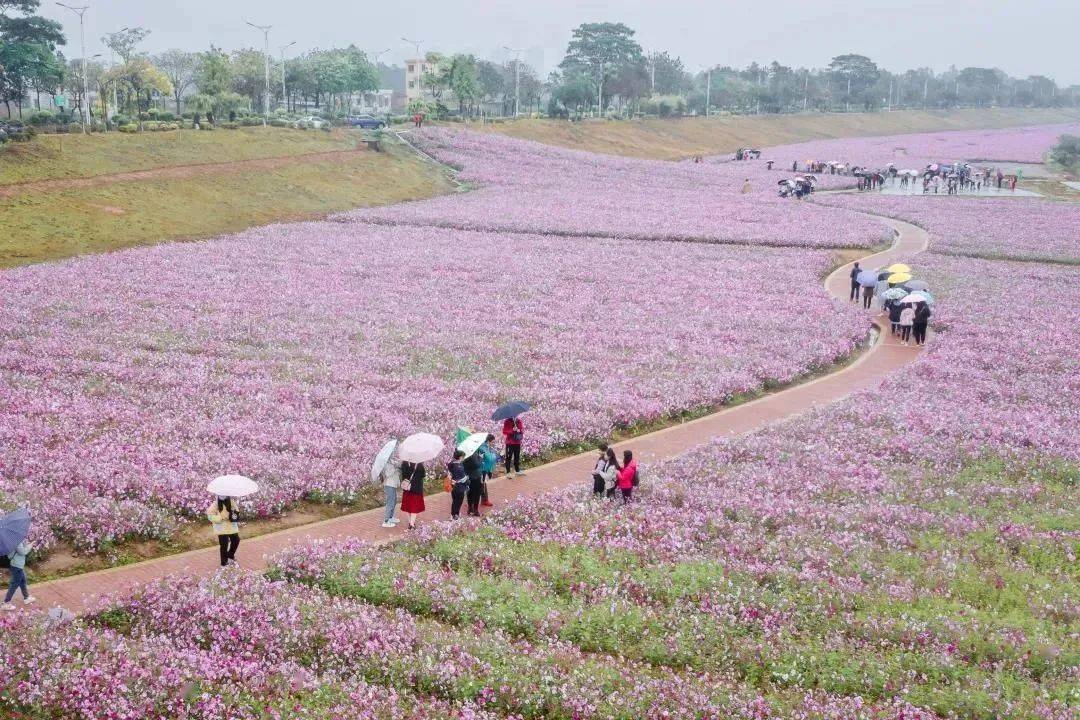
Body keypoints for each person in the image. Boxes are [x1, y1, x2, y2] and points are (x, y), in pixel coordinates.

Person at [206, 496, 240, 567]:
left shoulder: (231, 501)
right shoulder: (216, 504)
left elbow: (237, 510)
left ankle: (230, 554)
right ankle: (224, 562)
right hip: (221, 527)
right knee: (224, 544)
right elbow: (209, 515)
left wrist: (233, 513)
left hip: (231, 526)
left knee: (236, 540)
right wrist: (220, 518)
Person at [2, 540, 34, 610]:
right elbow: (23, 552)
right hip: (17, 565)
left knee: (23, 581)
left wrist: (25, 544)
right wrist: (30, 545)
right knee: (14, 584)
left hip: (16, 564)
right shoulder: (16, 541)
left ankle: (26, 597)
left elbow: (19, 549)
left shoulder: (10, 540)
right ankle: (6, 602)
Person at [399, 460, 426, 530]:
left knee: (407, 506)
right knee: (414, 507)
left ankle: (410, 523)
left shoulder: (404, 463)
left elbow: (402, 475)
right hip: (416, 489)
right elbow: (423, 475)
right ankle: (411, 524)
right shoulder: (419, 464)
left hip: (407, 488)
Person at [380, 453, 402, 528]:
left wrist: (397, 469)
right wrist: (395, 468)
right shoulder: (386, 464)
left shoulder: (391, 462)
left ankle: (390, 517)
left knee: (394, 500)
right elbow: (388, 473)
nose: (392, 455)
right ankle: (386, 521)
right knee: (390, 501)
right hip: (389, 485)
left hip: (393, 484)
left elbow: (396, 473)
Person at [446, 451, 468, 520]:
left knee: (454, 500)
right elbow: (463, 478)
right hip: (459, 486)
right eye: (463, 457)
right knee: (459, 501)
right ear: (460, 457)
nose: (464, 458)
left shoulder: (451, 464)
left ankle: (452, 515)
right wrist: (467, 479)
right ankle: (456, 515)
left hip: (453, 485)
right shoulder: (459, 467)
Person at [463, 448, 484, 517]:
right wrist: (480, 458)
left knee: (469, 492)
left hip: (468, 476)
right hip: (475, 476)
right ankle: (475, 509)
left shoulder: (464, 454)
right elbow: (477, 464)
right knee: (477, 493)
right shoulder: (472, 454)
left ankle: (470, 508)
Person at [478, 434, 498, 507]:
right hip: (481, 469)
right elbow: (485, 458)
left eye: (494, 442)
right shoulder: (482, 449)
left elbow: (491, 458)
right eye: (492, 442)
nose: (493, 444)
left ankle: (484, 500)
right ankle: (483, 500)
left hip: (486, 469)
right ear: (488, 441)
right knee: (481, 485)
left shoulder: (489, 448)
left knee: (483, 484)